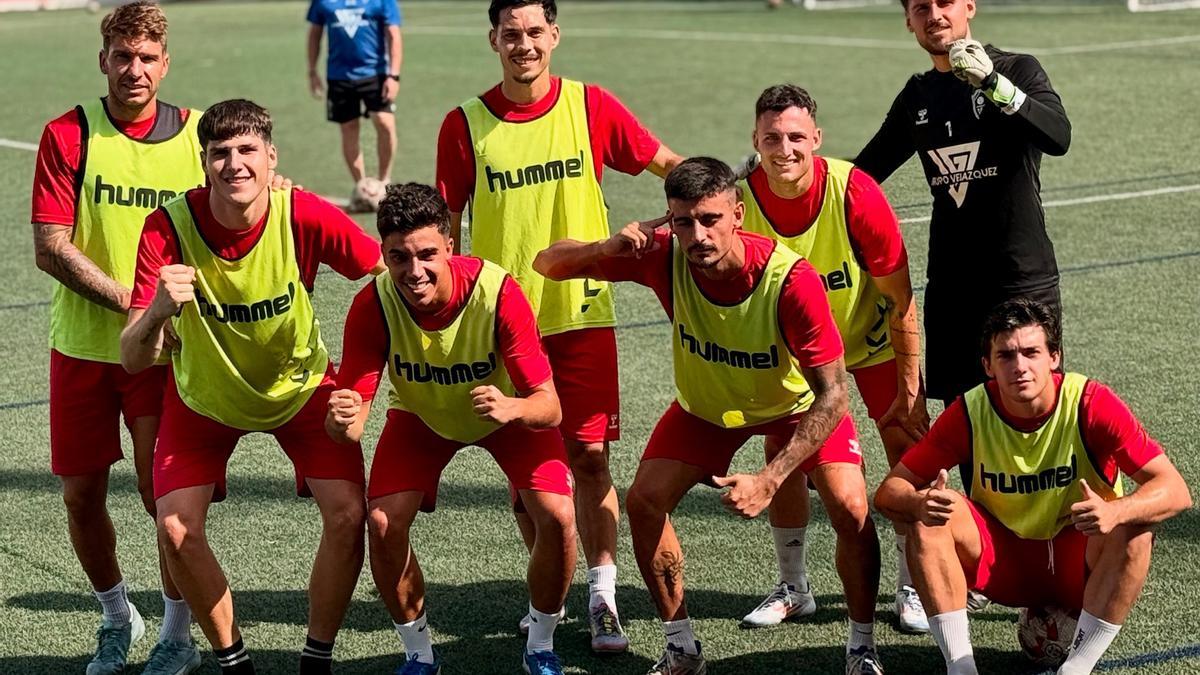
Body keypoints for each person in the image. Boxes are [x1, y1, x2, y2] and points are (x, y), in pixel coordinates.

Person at [534, 158, 884, 675]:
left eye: (710, 219)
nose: (697, 236)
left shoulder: (791, 280)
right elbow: (547, 263)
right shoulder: (662, 256)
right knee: (645, 502)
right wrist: (605, 248)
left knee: (852, 509)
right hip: (707, 412)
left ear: (737, 215)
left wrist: (770, 478)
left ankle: (861, 646)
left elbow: (833, 396)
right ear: (669, 220)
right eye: (683, 222)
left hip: (793, 409)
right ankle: (681, 648)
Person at [435, 0, 682, 651]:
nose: (524, 45)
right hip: (503, 324)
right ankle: (551, 588)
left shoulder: (589, 105)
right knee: (528, 480)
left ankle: (602, 598)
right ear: (494, 40)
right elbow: (445, 232)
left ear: (554, 36)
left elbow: (669, 166)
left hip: (582, 316)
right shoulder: (464, 123)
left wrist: (720, 194)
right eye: (511, 34)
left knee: (591, 460)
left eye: (534, 33)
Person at [120, 99, 384, 675]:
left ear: (272, 157)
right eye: (220, 152)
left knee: (348, 516)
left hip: (301, 391)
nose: (234, 164)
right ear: (203, 162)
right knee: (175, 527)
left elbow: (386, 275)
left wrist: (362, 378)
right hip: (205, 400)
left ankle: (316, 658)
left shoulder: (301, 212)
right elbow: (133, 358)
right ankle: (233, 661)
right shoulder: (168, 226)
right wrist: (158, 310)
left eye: (247, 150)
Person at [327, 182, 578, 675]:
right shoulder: (373, 304)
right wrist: (339, 421)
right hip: (421, 418)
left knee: (557, 516)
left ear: (450, 245)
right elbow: (350, 429)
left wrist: (512, 408)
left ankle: (541, 644)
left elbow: (550, 408)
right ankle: (418, 655)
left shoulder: (497, 292)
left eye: (426, 255)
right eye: (399, 258)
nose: (414, 271)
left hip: (507, 415)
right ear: (384, 254)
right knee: (383, 522)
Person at [875, 298, 1191, 675]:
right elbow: (889, 491)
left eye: (1031, 352)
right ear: (988, 366)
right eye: (1006, 355)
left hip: (1081, 562)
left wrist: (1114, 511)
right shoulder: (970, 412)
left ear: (1054, 357)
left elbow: (1175, 490)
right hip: (1003, 562)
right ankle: (961, 668)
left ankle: (1077, 668)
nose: (1020, 366)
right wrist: (919, 504)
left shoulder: (1091, 404)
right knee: (930, 518)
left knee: (1136, 528)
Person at [30, 3, 206, 673]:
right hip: (81, 349)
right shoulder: (68, 133)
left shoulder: (200, 137)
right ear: (103, 59)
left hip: (162, 355)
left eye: (147, 58)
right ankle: (115, 614)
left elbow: (239, 208)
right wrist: (139, 306)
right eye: (123, 56)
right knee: (81, 497)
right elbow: (51, 247)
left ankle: (177, 635)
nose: (135, 69)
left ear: (166, 64)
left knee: (163, 500)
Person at [736, 84, 930, 634]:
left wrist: (910, 388)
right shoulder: (740, 201)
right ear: (755, 140)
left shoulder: (855, 192)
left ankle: (912, 584)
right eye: (772, 138)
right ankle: (794, 588)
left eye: (797, 137)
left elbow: (901, 299)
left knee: (908, 447)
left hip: (871, 342)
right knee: (784, 451)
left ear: (817, 139)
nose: (785, 149)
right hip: (796, 357)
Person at [853, 0, 1072, 405]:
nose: (934, 14)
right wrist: (789, 169)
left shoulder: (1015, 70)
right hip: (952, 289)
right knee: (964, 418)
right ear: (908, 21)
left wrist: (992, 83)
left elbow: (1058, 136)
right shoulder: (917, 96)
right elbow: (861, 176)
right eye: (921, 7)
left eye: (945, 2)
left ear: (969, 6)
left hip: (1019, 280)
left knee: (1035, 411)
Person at [306, 0, 402, 207]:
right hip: (339, 76)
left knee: (384, 122)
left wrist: (393, 76)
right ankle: (362, 187)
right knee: (349, 128)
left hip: (376, 74)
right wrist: (312, 71)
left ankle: (385, 182)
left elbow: (393, 35)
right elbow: (315, 33)